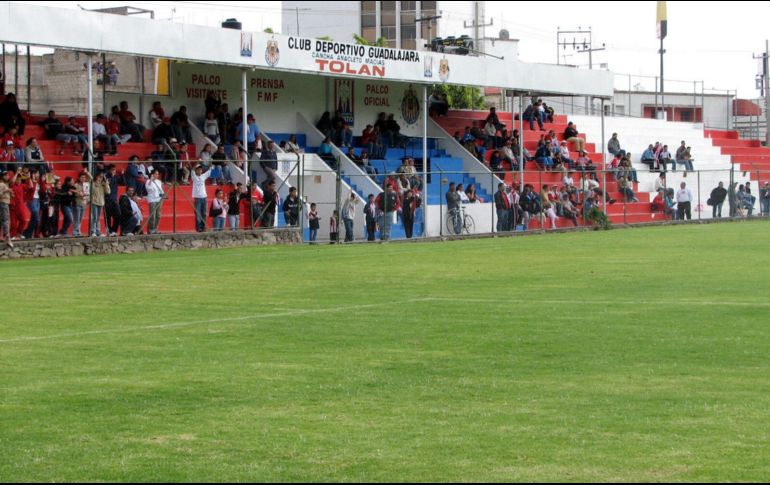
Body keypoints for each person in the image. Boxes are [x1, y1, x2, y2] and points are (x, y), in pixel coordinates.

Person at [191, 165, 212, 232]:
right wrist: (197, 163)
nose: (200, 171)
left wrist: (212, 164)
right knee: (198, 214)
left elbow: (210, 172)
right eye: (198, 170)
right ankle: (198, 228)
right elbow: (192, 170)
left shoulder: (203, 176)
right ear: (196, 171)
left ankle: (203, 227)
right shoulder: (194, 177)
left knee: (204, 213)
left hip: (204, 197)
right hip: (197, 198)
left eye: (201, 170)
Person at [90, 171, 111, 237]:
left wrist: (106, 184)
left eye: (102, 177)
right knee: (94, 217)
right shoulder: (93, 183)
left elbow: (108, 192)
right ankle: (93, 231)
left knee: (98, 218)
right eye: (100, 177)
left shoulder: (103, 184)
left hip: (101, 202)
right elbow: (92, 190)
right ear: (96, 176)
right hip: (94, 202)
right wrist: (97, 183)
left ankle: (98, 231)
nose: (101, 178)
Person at [145, 170, 165, 234]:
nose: (157, 175)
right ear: (152, 174)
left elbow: (161, 191)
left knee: (158, 215)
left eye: (158, 174)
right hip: (152, 199)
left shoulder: (159, 181)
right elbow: (148, 188)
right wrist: (151, 179)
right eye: (156, 174)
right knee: (152, 215)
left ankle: (155, 229)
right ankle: (151, 229)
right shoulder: (148, 181)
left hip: (159, 199)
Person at [73, 171, 93, 237]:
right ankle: (75, 231)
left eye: (84, 177)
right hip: (77, 203)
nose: (83, 178)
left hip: (84, 203)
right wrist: (79, 193)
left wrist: (87, 172)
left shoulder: (86, 184)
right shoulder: (76, 185)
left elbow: (91, 178)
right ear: (79, 178)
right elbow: (74, 193)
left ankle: (78, 231)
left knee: (81, 218)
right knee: (77, 218)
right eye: (82, 177)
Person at [0, 171, 12, 247]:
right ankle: (7, 238)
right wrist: (6, 190)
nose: (7, 176)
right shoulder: (1, 184)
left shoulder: (4, 184)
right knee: (6, 221)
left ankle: (5, 237)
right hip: (3, 203)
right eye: (6, 175)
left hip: (4, 203)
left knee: (2, 221)